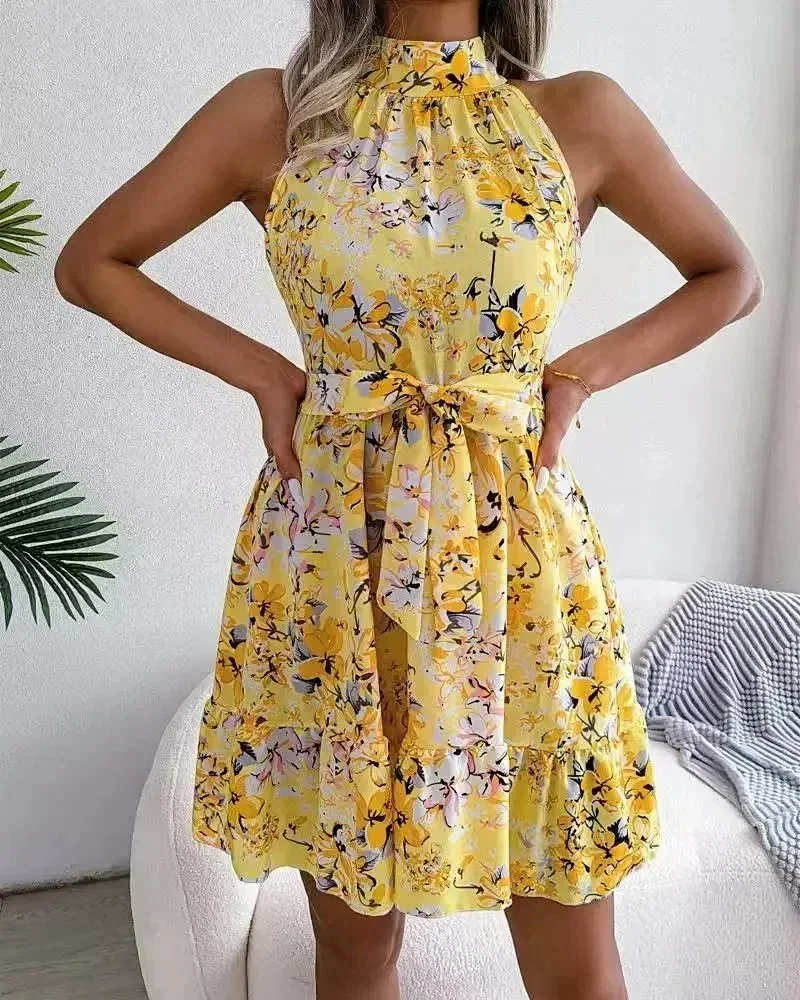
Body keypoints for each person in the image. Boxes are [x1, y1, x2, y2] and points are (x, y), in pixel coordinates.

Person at [54, 2, 762, 998]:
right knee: (354, 947)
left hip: (514, 566)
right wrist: (264, 375)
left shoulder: (580, 114)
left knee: (573, 950)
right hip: (335, 555)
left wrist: (578, 375)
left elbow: (729, 275)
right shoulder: (277, 112)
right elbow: (92, 263)